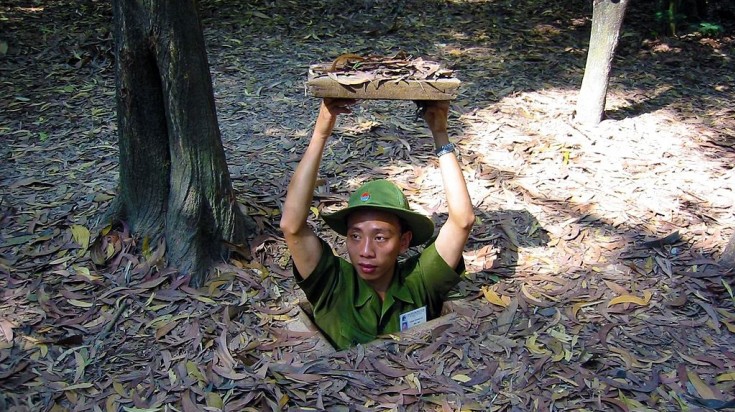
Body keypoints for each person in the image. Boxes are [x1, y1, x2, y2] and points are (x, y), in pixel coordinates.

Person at [280, 98, 474, 350]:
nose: (365, 251)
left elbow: (462, 220)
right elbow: (291, 225)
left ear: (404, 242)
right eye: (356, 236)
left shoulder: (420, 281)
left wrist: (440, 135)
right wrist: (320, 133)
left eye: (380, 237)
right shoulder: (332, 283)